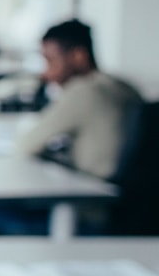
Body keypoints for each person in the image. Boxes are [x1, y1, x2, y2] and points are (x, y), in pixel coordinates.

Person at [15, 19, 142, 180]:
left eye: (50, 61)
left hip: (89, 192)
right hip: (120, 192)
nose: (45, 74)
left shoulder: (82, 91)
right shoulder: (124, 86)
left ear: (78, 56)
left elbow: (24, 146)